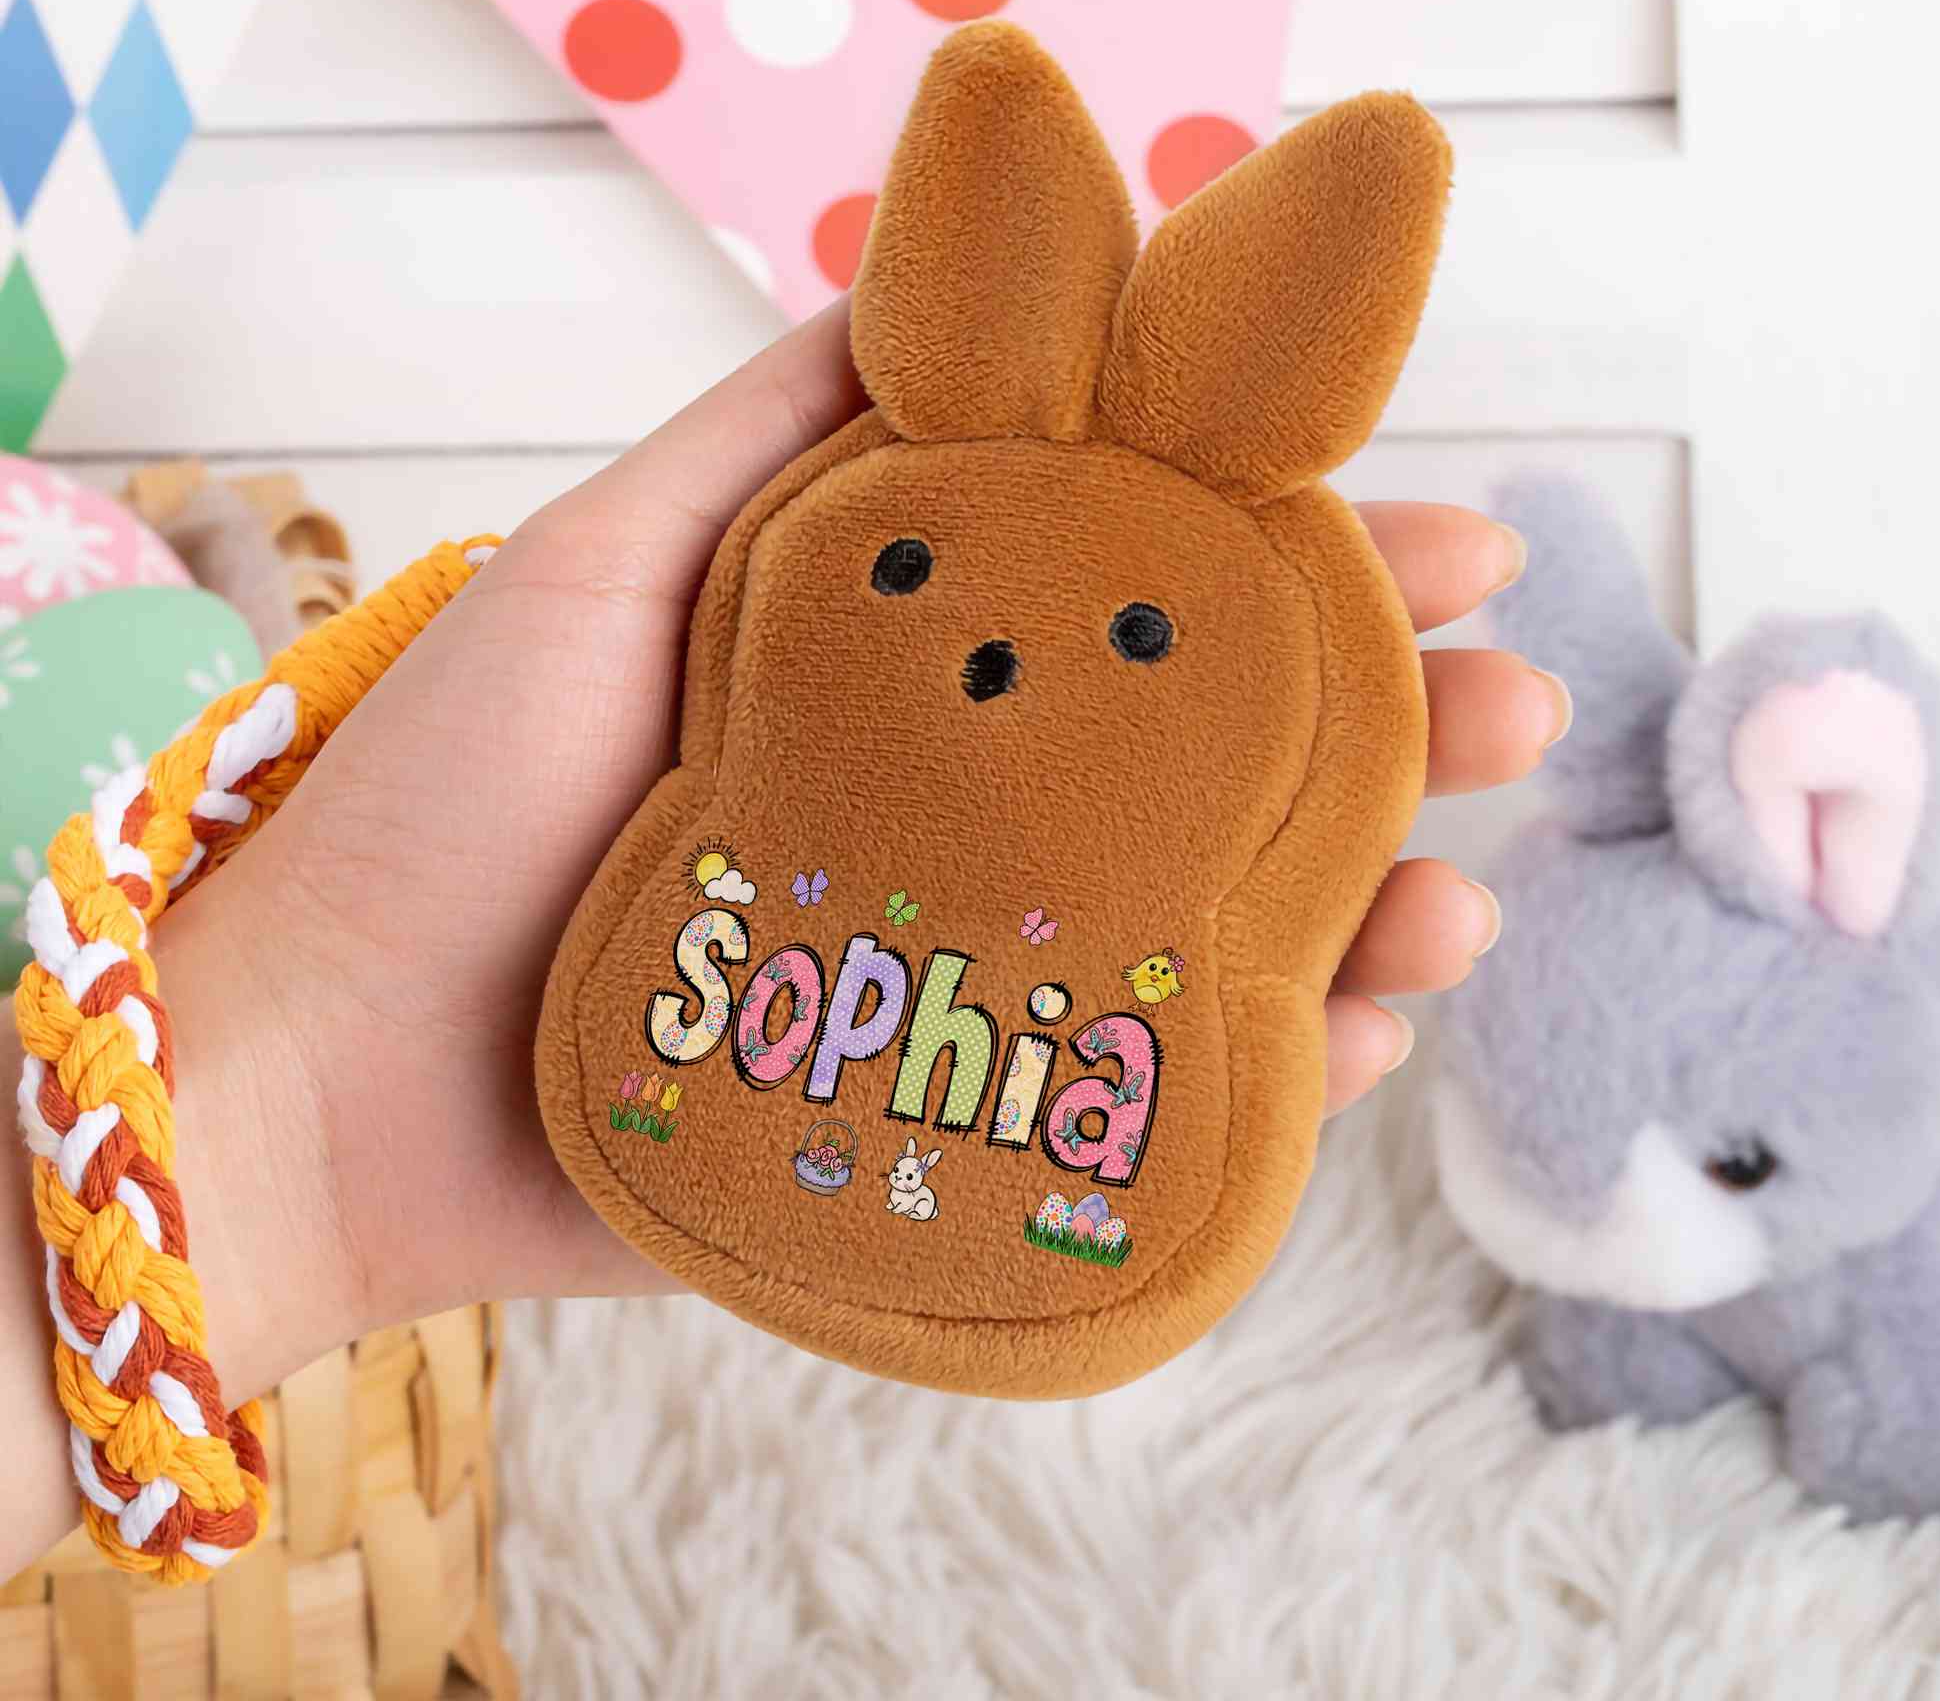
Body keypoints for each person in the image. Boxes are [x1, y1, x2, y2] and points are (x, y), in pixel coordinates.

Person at [0, 303, 1568, 1576]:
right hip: (663, 1051)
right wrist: (295, 1131)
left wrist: (285, 1148)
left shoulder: (1276, 644)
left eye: (1138, 640)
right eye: (907, 570)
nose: (998, 657)